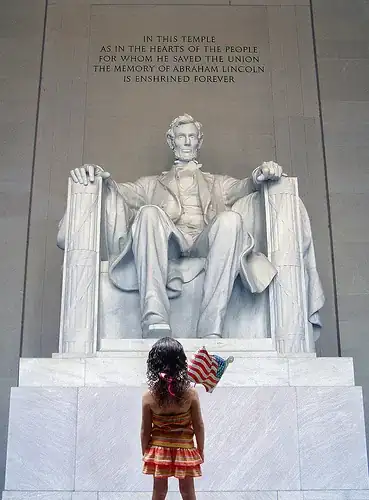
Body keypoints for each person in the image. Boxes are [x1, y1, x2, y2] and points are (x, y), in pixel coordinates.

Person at [62, 114, 284, 338]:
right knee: (148, 213)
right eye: (181, 137)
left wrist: (261, 173)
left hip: (204, 242)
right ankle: (154, 317)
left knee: (231, 220)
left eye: (192, 137)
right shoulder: (150, 185)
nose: (187, 142)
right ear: (171, 141)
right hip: (170, 244)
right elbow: (118, 191)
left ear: (200, 141)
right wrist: (97, 174)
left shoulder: (218, 183)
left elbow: (245, 186)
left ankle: (211, 326)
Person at [141, 337, 204, 500]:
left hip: (159, 449)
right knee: (188, 491)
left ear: (153, 365)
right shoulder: (191, 394)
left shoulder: (149, 397)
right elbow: (198, 425)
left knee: (159, 492)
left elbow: (145, 430)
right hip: (185, 449)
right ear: (181, 364)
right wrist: (200, 450)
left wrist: (145, 451)